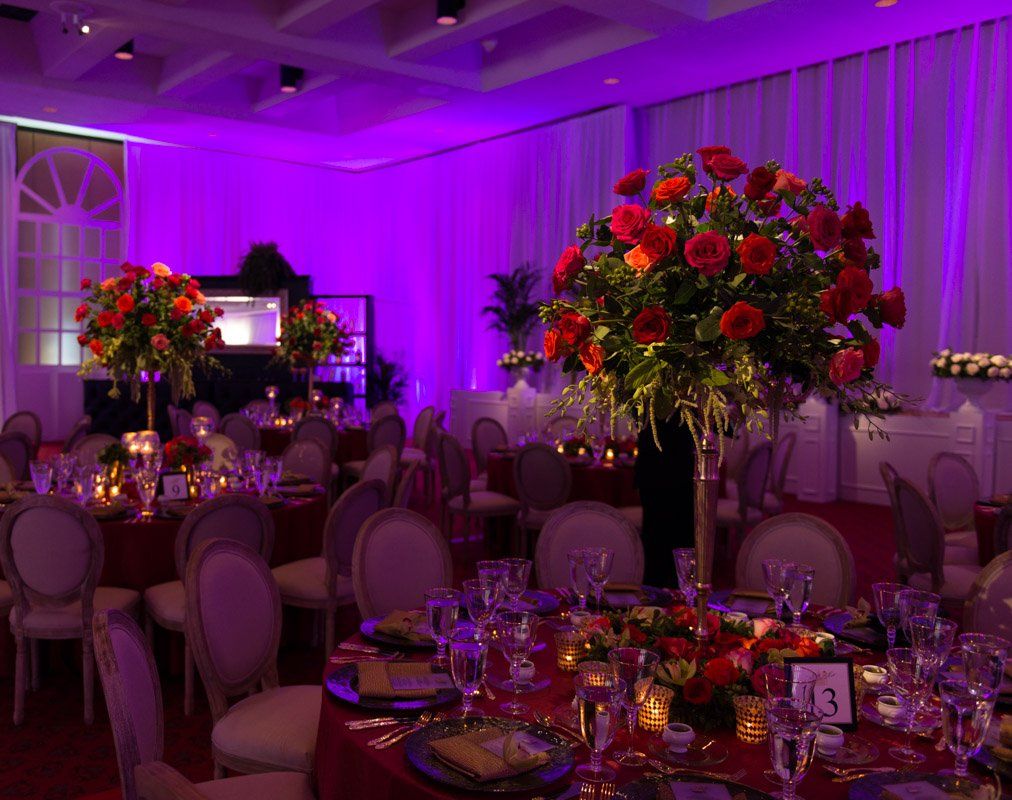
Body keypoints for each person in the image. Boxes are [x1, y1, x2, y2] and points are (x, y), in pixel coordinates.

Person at [634, 416, 696, 587]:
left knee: (680, 541)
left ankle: (682, 598)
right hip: (657, 469)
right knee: (657, 543)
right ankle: (657, 598)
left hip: (680, 471)